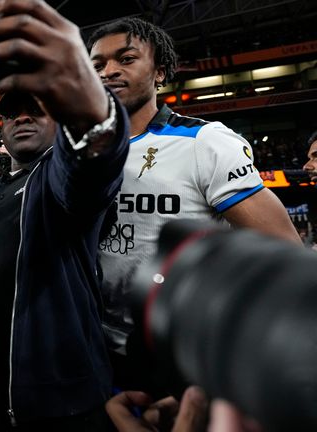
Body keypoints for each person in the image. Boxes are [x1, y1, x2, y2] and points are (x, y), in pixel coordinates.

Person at [88, 18, 300, 386]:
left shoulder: (205, 141)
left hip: (180, 353)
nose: (109, 71)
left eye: (126, 58)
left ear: (160, 72)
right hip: (96, 348)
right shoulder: (81, 154)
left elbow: (284, 254)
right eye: (97, 65)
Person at [0, 0, 130, 429]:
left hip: (53, 402)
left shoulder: (55, 178)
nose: (22, 117)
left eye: (36, 107)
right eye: (11, 113)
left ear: (57, 119)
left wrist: (79, 91)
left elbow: (92, 163)